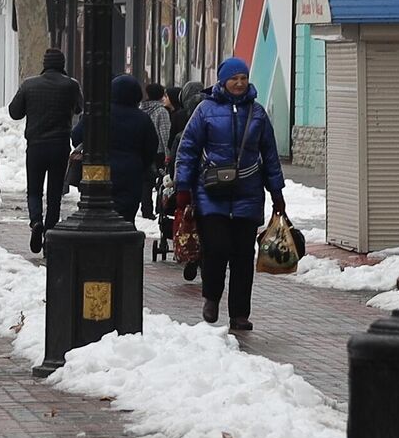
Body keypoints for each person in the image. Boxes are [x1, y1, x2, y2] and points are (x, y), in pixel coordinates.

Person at [174, 57, 287, 332]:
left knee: (243, 255)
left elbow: (270, 155)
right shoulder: (205, 110)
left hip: (248, 193)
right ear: (223, 81)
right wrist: (183, 189)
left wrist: (277, 192)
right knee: (217, 247)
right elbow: (187, 150)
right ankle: (211, 297)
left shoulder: (257, 113)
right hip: (211, 192)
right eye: (233, 78)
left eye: (243, 78)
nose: (239, 83)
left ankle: (239, 313)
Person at [9, 47, 82, 252]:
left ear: (44, 63)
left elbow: (14, 112)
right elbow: (79, 108)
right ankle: (50, 233)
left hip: (36, 145)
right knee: (54, 192)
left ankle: (35, 222)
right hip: (59, 145)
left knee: (34, 189)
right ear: (62, 64)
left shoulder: (30, 84)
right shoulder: (71, 85)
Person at [72, 74, 159, 222]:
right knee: (125, 217)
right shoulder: (142, 119)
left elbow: (76, 136)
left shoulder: (98, 114)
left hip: (98, 173)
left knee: (97, 216)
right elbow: (151, 147)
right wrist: (140, 165)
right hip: (130, 175)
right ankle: (122, 243)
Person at [141, 81, 173, 217]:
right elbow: (165, 133)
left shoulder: (141, 109)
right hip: (159, 151)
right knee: (162, 180)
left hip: (143, 149)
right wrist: (168, 155)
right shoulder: (161, 111)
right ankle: (160, 208)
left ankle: (146, 209)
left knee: (146, 181)